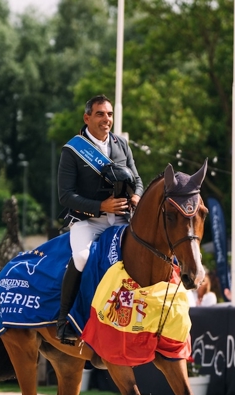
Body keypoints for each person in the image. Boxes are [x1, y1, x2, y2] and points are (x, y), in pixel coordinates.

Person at [54, 94, 144, 344]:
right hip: (88, 221)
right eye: (100, 114)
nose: (107, 119)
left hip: (123, 218)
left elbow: (137, 180)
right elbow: (65, 196)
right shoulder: (72, 150)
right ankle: (64, 322)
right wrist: (100, 206)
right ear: (87, 117)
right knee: (82, 257)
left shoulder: (121, 144)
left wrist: (137, 196)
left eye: (110, 114)